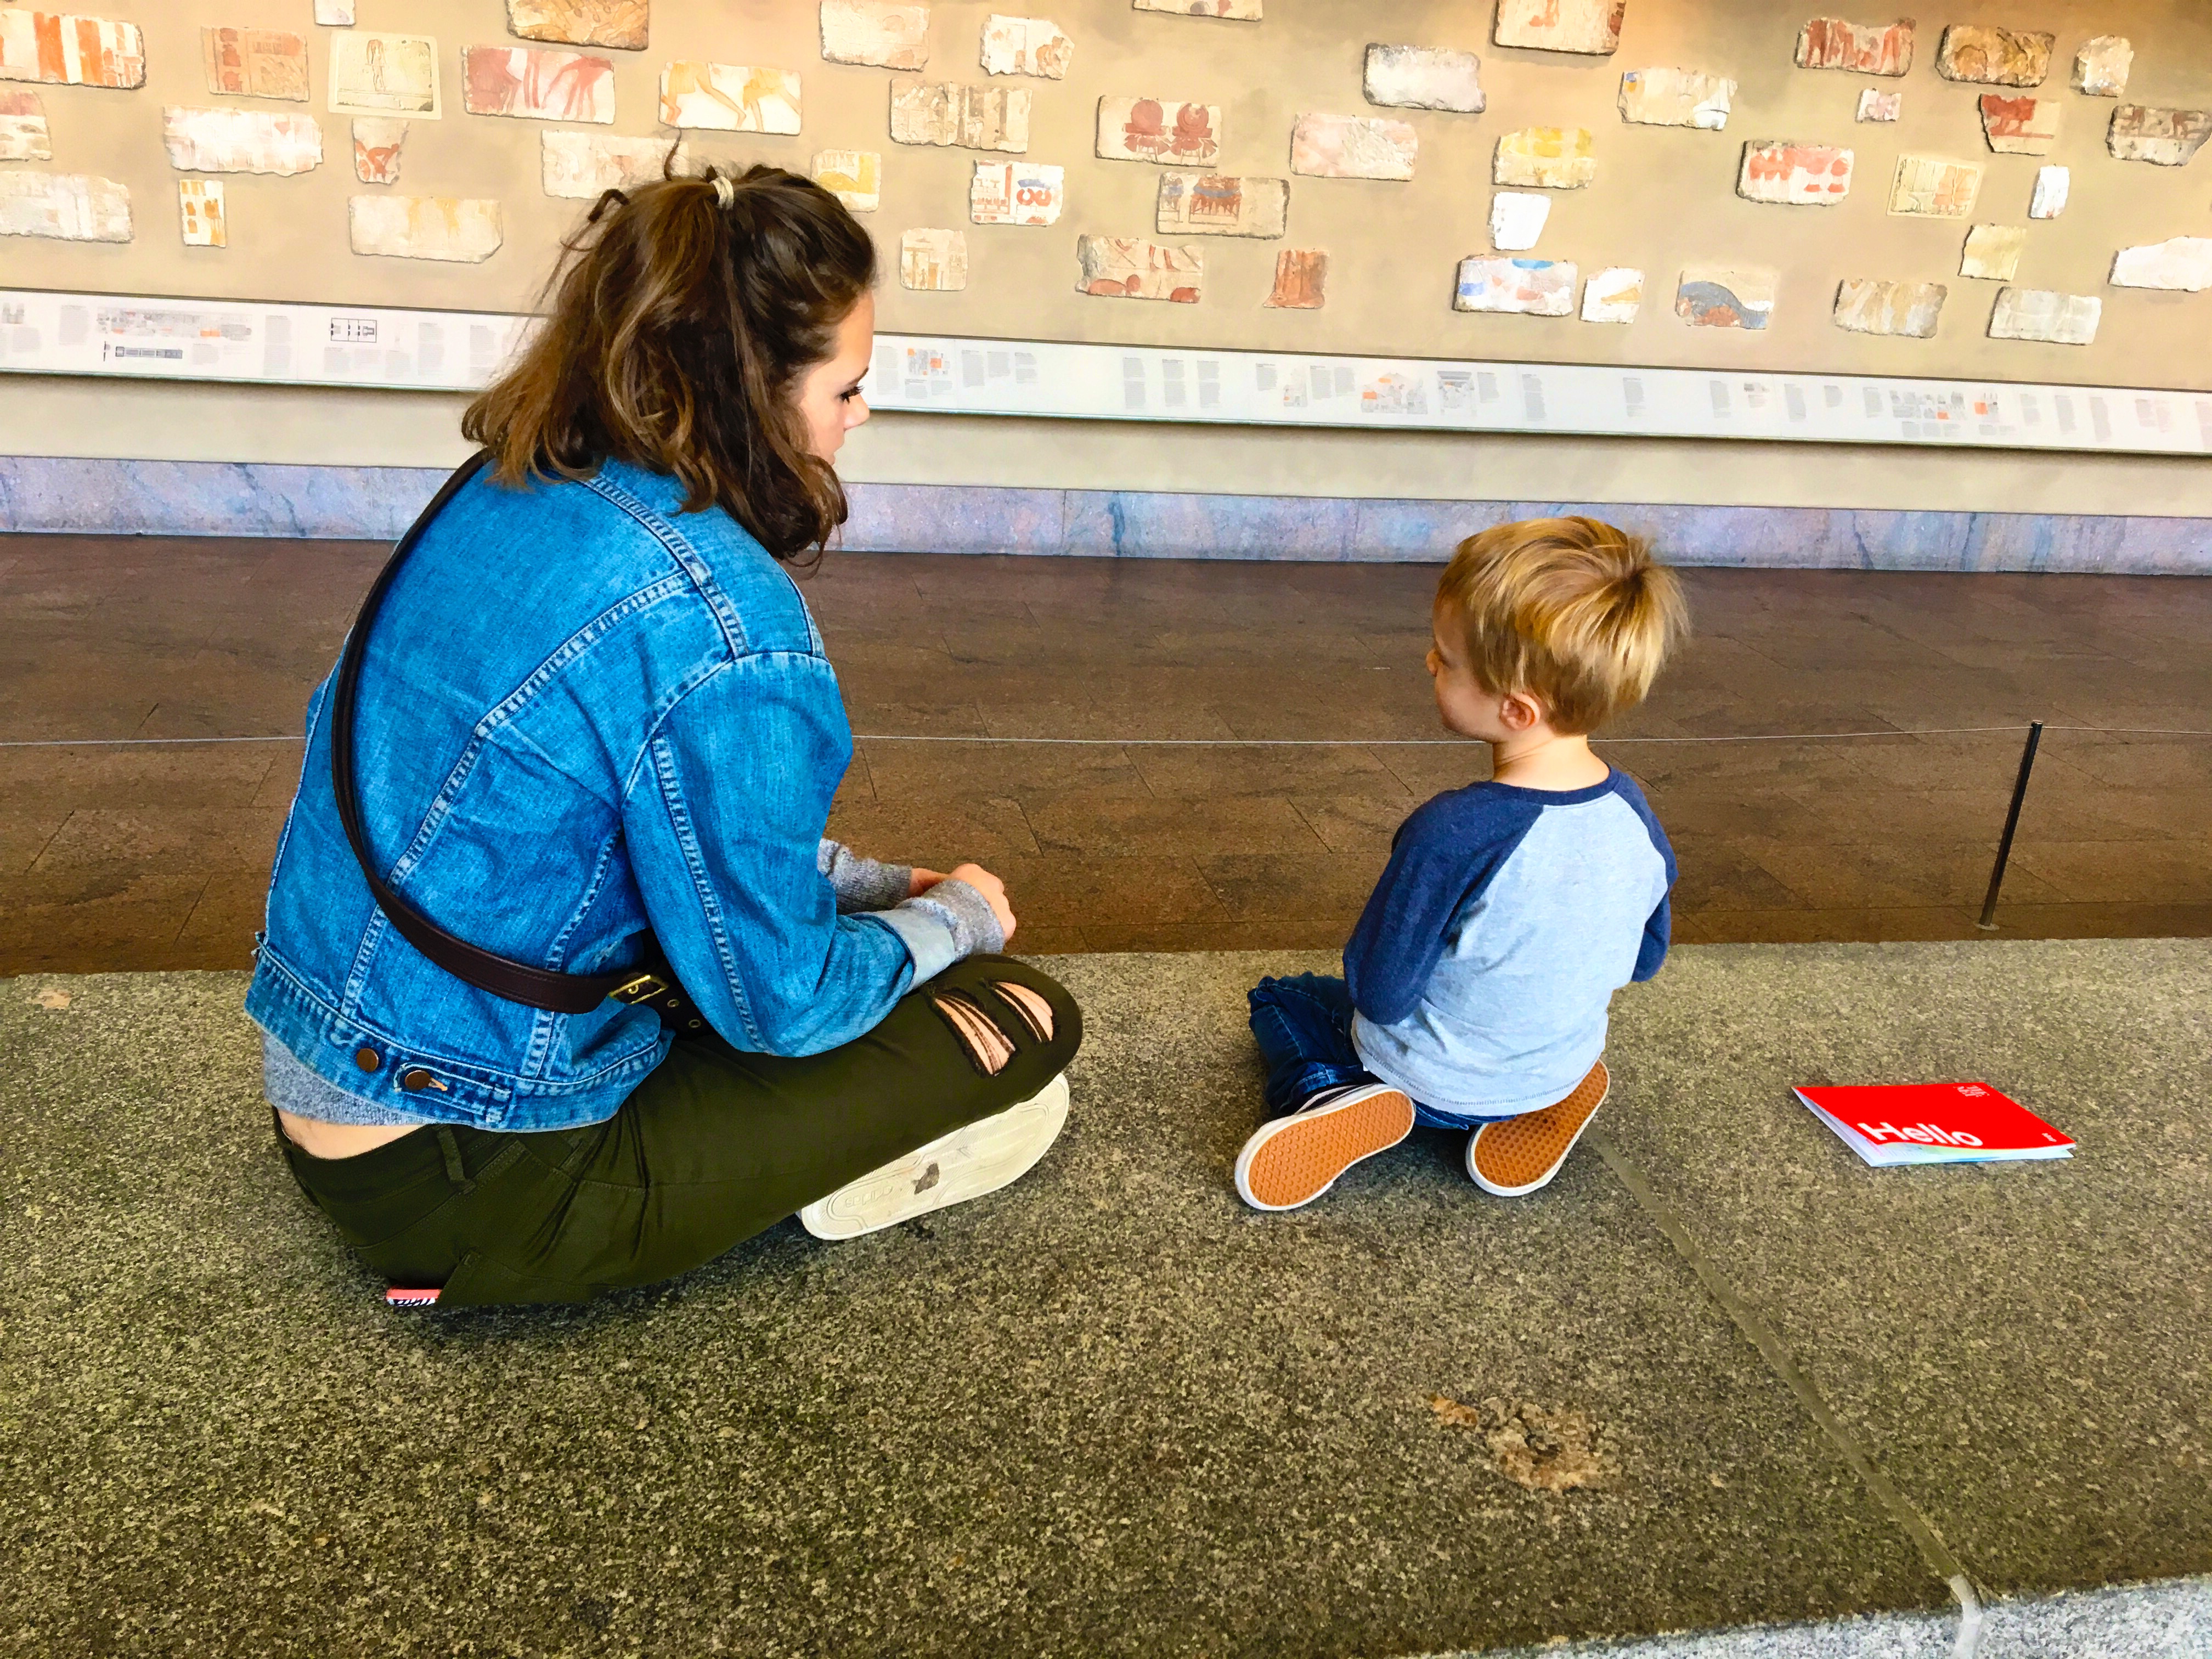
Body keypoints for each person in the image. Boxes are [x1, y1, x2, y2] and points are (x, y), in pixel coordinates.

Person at [248, 165, 1081, 1307]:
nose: (860, 416)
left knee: (842, 950)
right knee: (1022, 1011)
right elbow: (784, 1002)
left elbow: (606, 831)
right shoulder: (726, 622)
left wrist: (878, 886)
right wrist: (956, 918)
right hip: (476, 1184)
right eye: (848, 387)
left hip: (332, 1083)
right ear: (752, 394)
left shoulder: (502, 486)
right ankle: (828, 1167)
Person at [1233, 518, 1685, 1212]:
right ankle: (1534, 1103)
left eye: (1447, 659)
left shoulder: (1454, 830)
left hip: (1428, 1081)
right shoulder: (1634, 813)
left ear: (1517, 709)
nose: (1428, 663)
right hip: (1553, 1066)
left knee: (1283, 998)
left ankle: (1334, 1093)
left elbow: (1382, 992)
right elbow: (1645, 959)